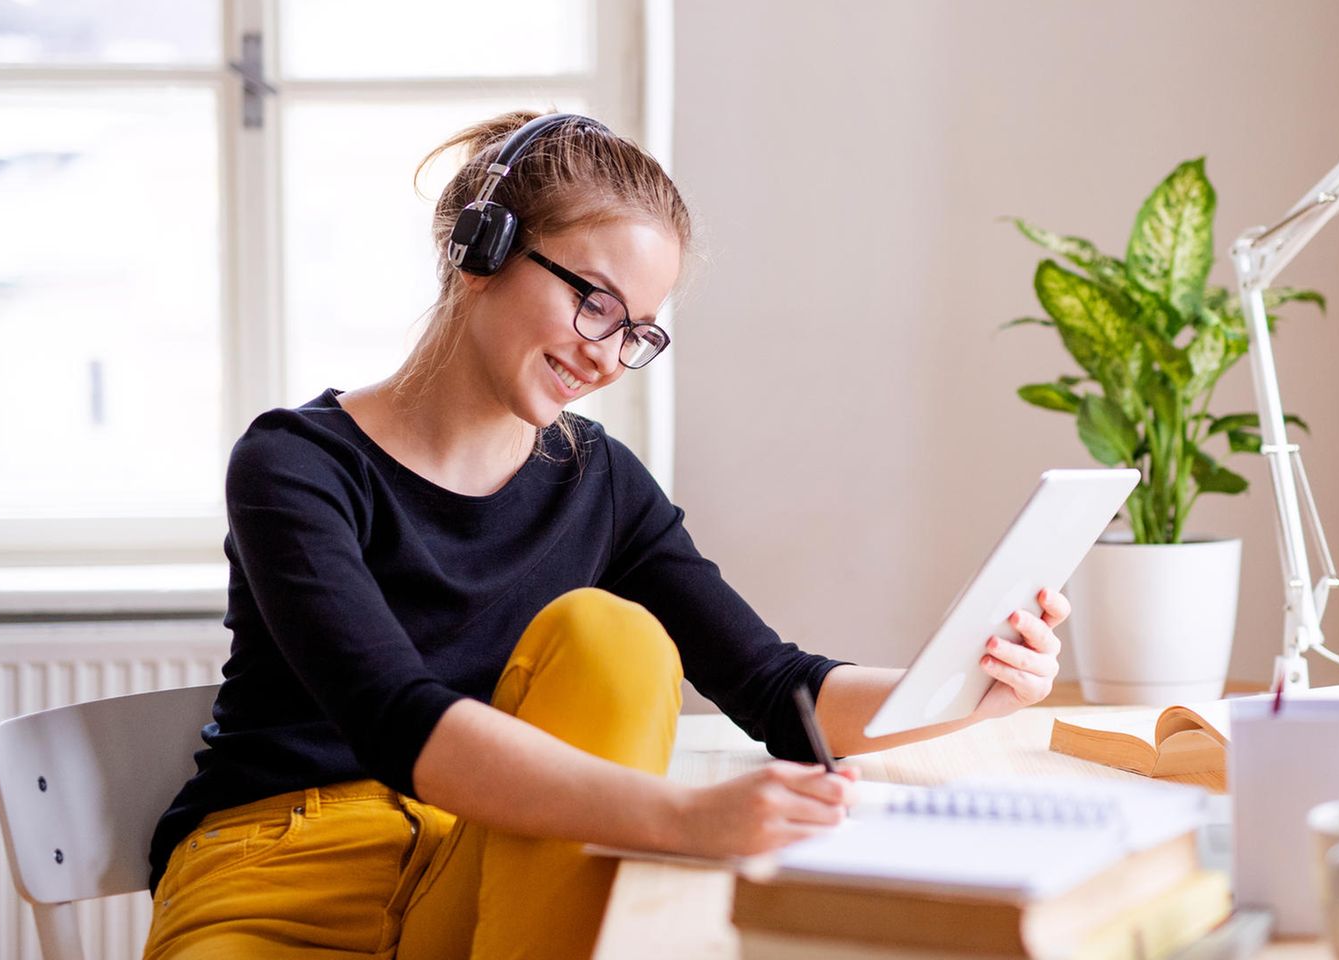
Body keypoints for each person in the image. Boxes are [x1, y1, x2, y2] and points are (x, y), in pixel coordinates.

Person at [142, 111, 1067, 960]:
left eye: (638, 332)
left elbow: (778, 688)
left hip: (481, 862)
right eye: (594, 301)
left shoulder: (600, 479)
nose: (606, 352)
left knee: (611, 636)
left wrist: (963, 687)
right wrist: (683, 816)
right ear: (482, 249)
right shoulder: (296, 465)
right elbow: (399, 719)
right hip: (282, 867)